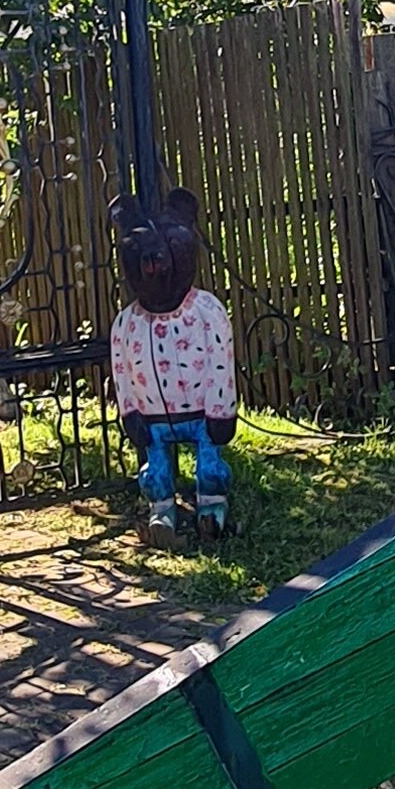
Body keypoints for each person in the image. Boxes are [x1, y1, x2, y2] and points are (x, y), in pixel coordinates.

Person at [109, 185, 238, 532]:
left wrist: (220, 411)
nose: (154, 265)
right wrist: (129, 412)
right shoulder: (127, 322)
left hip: (201, 412)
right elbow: (121, 371)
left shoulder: (207, 311)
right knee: (156, 469)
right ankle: (161, 509)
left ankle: (211, 505)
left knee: (210, 465)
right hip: (153, 416)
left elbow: (221, 365)